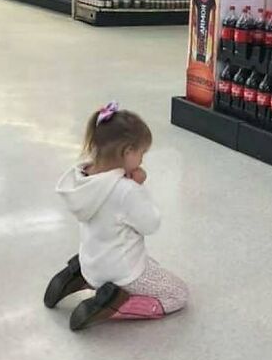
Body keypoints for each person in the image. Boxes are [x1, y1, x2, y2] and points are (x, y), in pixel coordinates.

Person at [43, 102, 188, 331]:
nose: (142, 160)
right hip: (122, 273)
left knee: (152, 263)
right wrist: (138, 187)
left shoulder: (84, 176)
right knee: (178, 294)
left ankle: (79, 274)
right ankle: (113, 303)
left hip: (91, 261)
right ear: (127, 152)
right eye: (142, 153)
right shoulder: (125, 190)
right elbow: (151, 223)